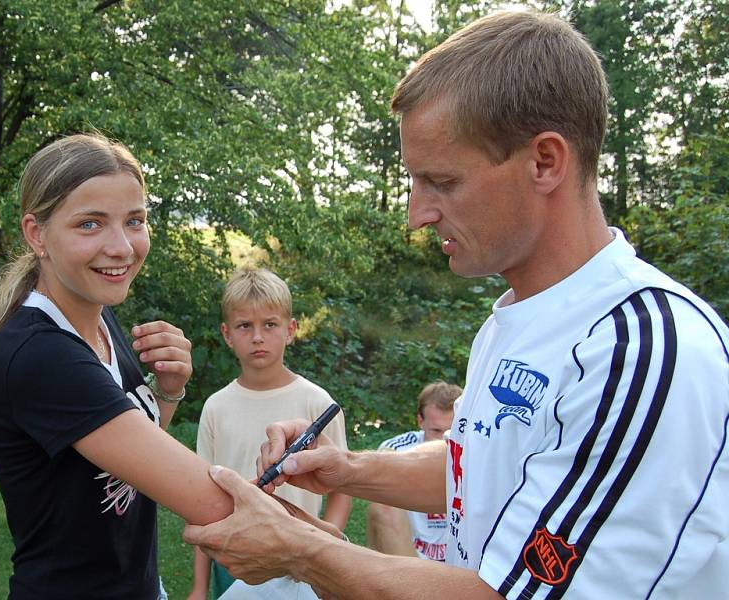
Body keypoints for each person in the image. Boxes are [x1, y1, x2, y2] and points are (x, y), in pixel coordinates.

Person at [183, 9, 729, 599]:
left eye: (442, 182)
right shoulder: (512, 321)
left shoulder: (639, 350)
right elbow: (480, 467)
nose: (418, 213)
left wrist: (302, 551)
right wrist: (348, 468)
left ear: (545, 161)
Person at [0, 133, 234, 599]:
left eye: (135, 221)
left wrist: (167, 391)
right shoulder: (42, 353)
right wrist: (330, 550)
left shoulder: (97, 316)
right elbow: (211, 503)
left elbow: (127, 460)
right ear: (36, 234)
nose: (122, 247)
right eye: (90, 224)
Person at [187, 268, 352, 600]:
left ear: (290, 330)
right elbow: (201, 502)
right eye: (245, 326)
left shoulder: (317, 403)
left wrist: (326, 546)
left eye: (270, 325)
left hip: (302, 559)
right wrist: (198, 588)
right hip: (234, 557)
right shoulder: (216, 407)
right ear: (227, 333)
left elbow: (343, 488)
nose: (258, 337)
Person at [366, 381, 460, 561]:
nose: (444, 440)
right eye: (436, 430)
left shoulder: (476, 455)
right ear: (420, 421)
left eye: (451, 430)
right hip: (407, 554)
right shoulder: (396, 450)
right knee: (381, 506)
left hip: (461, 561)